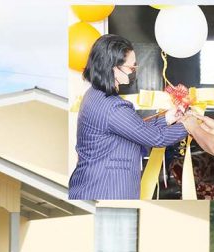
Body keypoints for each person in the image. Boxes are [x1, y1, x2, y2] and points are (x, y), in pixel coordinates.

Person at [69, 34, 187, 200]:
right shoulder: (112, 106)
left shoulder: (94, 94)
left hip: (91, 184)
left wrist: (168, 118)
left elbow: (135, 128)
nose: (134, 71)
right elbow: (156, 138)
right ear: (113, 67)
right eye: (131, 68)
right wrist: (189, 124)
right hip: (106, 188)